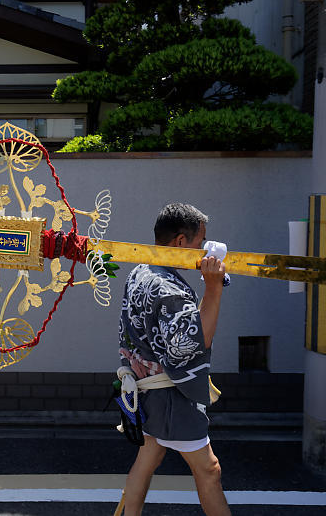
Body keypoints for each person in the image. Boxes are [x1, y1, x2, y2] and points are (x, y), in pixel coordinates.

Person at [117, 202, 230, 516]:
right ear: (181, 242)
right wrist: (213, 289)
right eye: (199, 242)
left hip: (145, 388)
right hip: (171, 394)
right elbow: (191, 346)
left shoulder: (141, 270)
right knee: (209, 470)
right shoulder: (169, 289)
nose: (202, 249)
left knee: (147, 460)